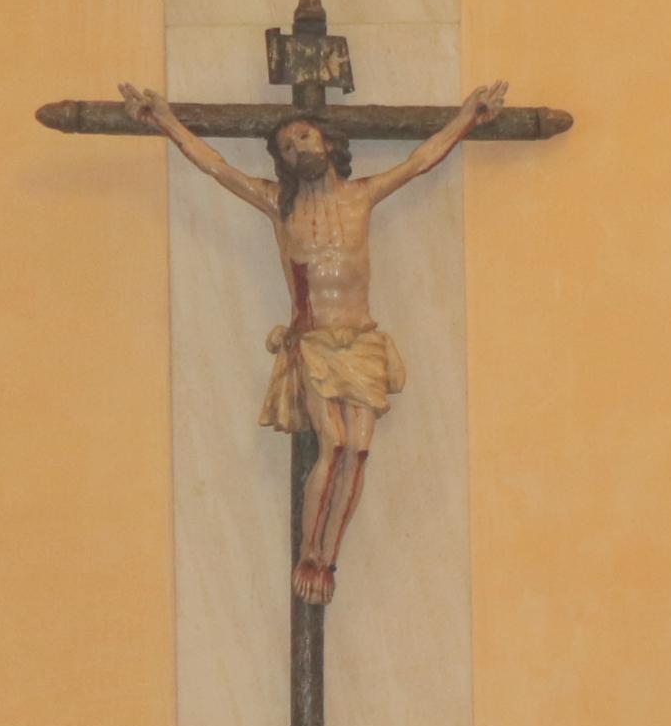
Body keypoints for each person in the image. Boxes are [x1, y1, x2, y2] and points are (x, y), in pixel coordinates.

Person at [121, 78, 507, 602]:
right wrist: (164, 119)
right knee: (336, 443)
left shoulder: (361, 196)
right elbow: (215, 165)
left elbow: (418, 161)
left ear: (328, 143)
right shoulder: (279, 207)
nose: (296, 147)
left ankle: (331, 555)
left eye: (303, 137)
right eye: (285, 145)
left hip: (363, 339)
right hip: (316, 342)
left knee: (361, 450)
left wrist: (467, 117)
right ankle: (310, 551)